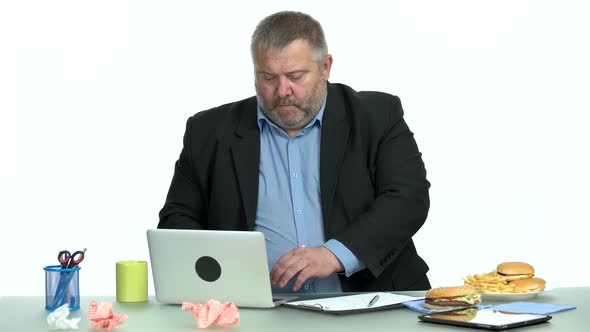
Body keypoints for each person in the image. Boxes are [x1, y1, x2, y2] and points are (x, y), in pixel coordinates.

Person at [158, 11, 431, 294]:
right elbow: (178, 219)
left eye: (295, 76)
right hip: (257, 310)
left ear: (325, 67)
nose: (282, 91)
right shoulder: (208, 131)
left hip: (373, 298)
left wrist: (335, 254)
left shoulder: (376, 116)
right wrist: (218, 278)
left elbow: (408, 198)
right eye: (268, 77)